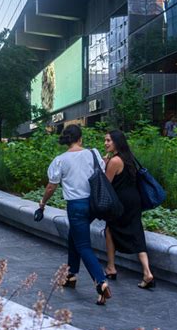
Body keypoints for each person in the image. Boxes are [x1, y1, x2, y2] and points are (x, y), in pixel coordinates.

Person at [39, 124, 112, 305]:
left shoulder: (60, 160)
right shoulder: (93, 154)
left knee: (83, 245)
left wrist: (42, 203)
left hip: (77, 206)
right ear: (80, 138)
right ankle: (71, 275)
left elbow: (51, 186)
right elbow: (100, 170)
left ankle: (100, 282)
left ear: (67, 140)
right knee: (74, 236)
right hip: (94, 205)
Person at [103, 130, 155, 289]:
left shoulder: (115, 161)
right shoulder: (130, 157)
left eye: (108, 141)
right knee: (137, 233)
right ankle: (147, 272)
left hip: (121, 202)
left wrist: (104, 165)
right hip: (134, 200)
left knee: (110, 230)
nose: (105, 143)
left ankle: (111, 268)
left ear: (117, 142)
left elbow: (106, 184)